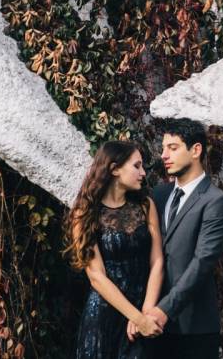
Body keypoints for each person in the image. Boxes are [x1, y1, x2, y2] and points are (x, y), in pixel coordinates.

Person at [130, 118, 223, 359]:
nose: (164, 155)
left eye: (173, 148)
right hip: (150, 323)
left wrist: (164, 310)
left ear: (195, 150)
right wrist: (139, 312)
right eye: (163, 148)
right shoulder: (158, 194)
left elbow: (202, 262)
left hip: (193, 328)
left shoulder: (216, 201)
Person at [67, 140, 165, 358]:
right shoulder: (85, 213)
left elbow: (157, 261)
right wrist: (137, 318)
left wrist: (145, 314)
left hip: (143, 309)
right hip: (103, 316)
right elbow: (96, 277)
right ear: (114, 169)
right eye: (137, 166)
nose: (143, 173)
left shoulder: (145, 205)